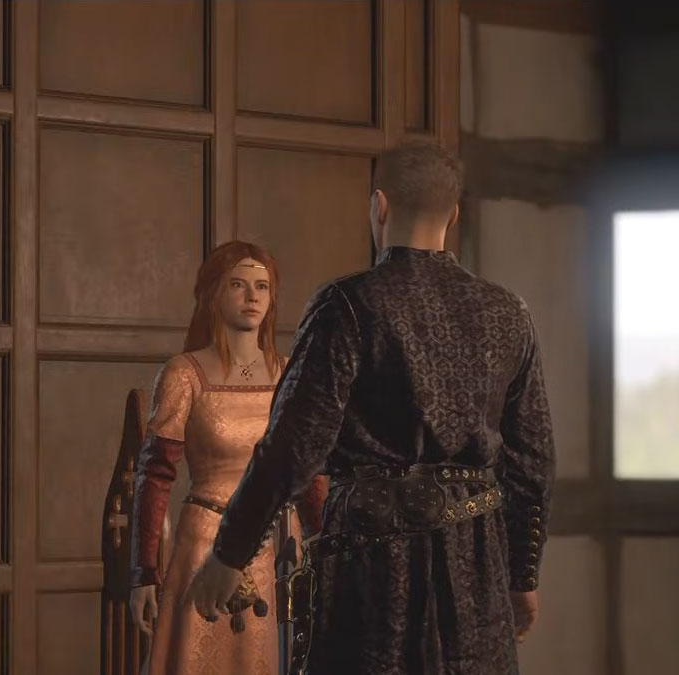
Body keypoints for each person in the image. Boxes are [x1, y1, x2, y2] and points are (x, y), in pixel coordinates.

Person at [185, 140, 556, 674]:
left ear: (379, 206)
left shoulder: (348, 304)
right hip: (476, 567)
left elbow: (293, 447)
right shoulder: (508, 312)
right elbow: (533, 463)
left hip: (372, 567)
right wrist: (522, 575)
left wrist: (229, 552)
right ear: (452, 215)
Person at [129, 240, 329, 675]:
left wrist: (326, 551)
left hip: (280, 549)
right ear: (214, 293)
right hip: (205, 543)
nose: (252, 295)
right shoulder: (184, 374)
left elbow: (307, 470)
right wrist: (143, 573)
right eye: (238, 284)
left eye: (262, 286)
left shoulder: (289, 373)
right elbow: (155, 474)